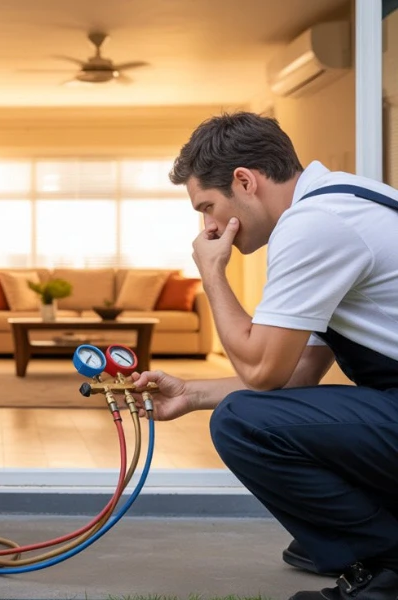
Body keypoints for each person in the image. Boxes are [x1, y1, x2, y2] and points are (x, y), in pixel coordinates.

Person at [129, 111, 398, 600]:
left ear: (245, 181)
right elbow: (293, 376)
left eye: (207, 207)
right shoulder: (340, 200)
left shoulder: (314, 225)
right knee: (315, 531)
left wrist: (211, 273)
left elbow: (261, 368)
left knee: (241, 422)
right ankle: (371, 538)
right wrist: (189, 393)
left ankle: (390, 565)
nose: (208, 227)